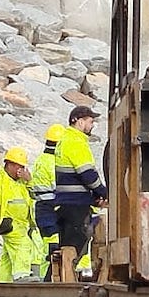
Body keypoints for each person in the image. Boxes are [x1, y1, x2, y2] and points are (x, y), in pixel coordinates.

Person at [52, 105, 107, 277]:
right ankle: (64, 281)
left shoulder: (64, 140)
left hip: (65, 203)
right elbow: (87, 174)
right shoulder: (76, 142)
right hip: (75, 204)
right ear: (79, 121)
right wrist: (103, 192)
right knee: (74, 246)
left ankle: (56, 280)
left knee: (66, 245)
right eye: (90, 121)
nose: (92, 125)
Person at [0, 148, 43, 280]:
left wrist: (29, 180)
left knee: (8, 255)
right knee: (23, 244)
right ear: (9, 164)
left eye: (22, 166)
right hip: (7, 222)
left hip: (23, 224)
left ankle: (4, 282)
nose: (20, 169)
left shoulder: (22, 181)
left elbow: (35, 195)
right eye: (18, 166)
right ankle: (21, 275)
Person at [31, 124, 67, 272]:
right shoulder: (53, 162)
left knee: (48, 244)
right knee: (54, 244)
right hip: (51, 206)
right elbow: (58, 186)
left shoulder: (40, 160)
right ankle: (49, 276)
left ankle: (47, 276)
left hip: (42, 206)